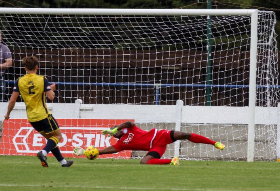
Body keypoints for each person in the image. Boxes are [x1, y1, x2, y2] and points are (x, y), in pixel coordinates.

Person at [4, 56, 73, 167]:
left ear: (25, 68)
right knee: (58, 137)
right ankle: (43, 152)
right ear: (37, 67)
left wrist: (8, 113)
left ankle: (63, 162)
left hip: (32, 117)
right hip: (43, 115)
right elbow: (51, 97)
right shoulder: (42, 79)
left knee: (51, 139)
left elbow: (12, 100)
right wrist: (52, 89)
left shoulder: (19, 81)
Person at [74, 121, 225, 165]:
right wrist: (85, 152)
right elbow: (106, 150)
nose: (117, 130)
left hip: (160, 136)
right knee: (144, 162)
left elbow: (127, 122)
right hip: (156, 146)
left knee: (184, 134)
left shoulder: (129, 128)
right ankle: (172, 160)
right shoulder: (121, 144)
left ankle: (214, 143)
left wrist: (115, 129)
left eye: (116, 129)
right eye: (115, 131)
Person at [0, 30, 13, 101]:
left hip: (0, 77)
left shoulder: (4, 48)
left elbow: (9, 63)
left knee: (2, 98)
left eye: (0, 36)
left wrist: (0, 66)